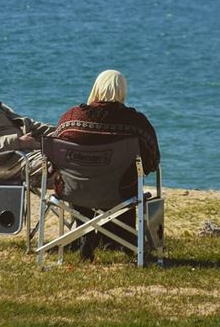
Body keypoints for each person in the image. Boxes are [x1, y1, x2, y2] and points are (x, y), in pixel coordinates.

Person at [54, 69, 160, 260]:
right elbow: (153, 161)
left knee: (82, 179)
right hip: (120, 195)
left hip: (75, 192)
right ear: (123, 91)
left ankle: (83, 234)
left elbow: (56, 157)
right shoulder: (136, 123)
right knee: (123, 181)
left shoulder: (71, 119)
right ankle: (122, 241)